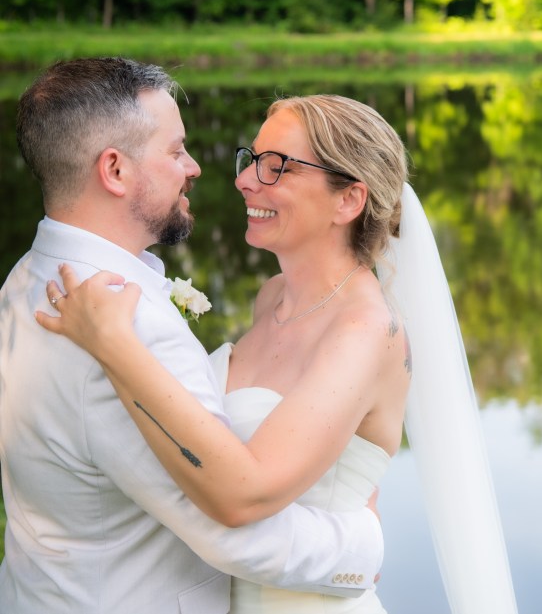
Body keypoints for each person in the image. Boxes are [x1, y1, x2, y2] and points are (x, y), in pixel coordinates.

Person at [38, 94, 519, 614]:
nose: (245, 181)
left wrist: (114, 345)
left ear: (348, 201)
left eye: (277, 167)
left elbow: (246, 493)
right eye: (252, 160)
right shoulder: (272, 297)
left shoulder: (366, 329)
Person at [0, 58, 384, 614]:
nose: (199, 168)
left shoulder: (27, 277)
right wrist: (365, 546)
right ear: (115, 170)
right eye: (176, 150)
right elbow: (226, 526)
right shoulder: (121, 325)